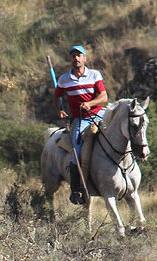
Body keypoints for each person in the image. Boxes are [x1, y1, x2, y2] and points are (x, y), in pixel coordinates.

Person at [51, 45, 108, 205]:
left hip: (99, 114)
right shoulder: (64, 79)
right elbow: (56, 97)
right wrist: (60, 110)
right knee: (76, 152)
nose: (76, 58)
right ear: (70, 59)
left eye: (79, 55)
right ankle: (76, 191)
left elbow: (103, 96)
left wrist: (90, 103)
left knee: (119, 133)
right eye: (73, 56)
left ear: (84, 58)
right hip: (80, 120)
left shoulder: (94, 74)